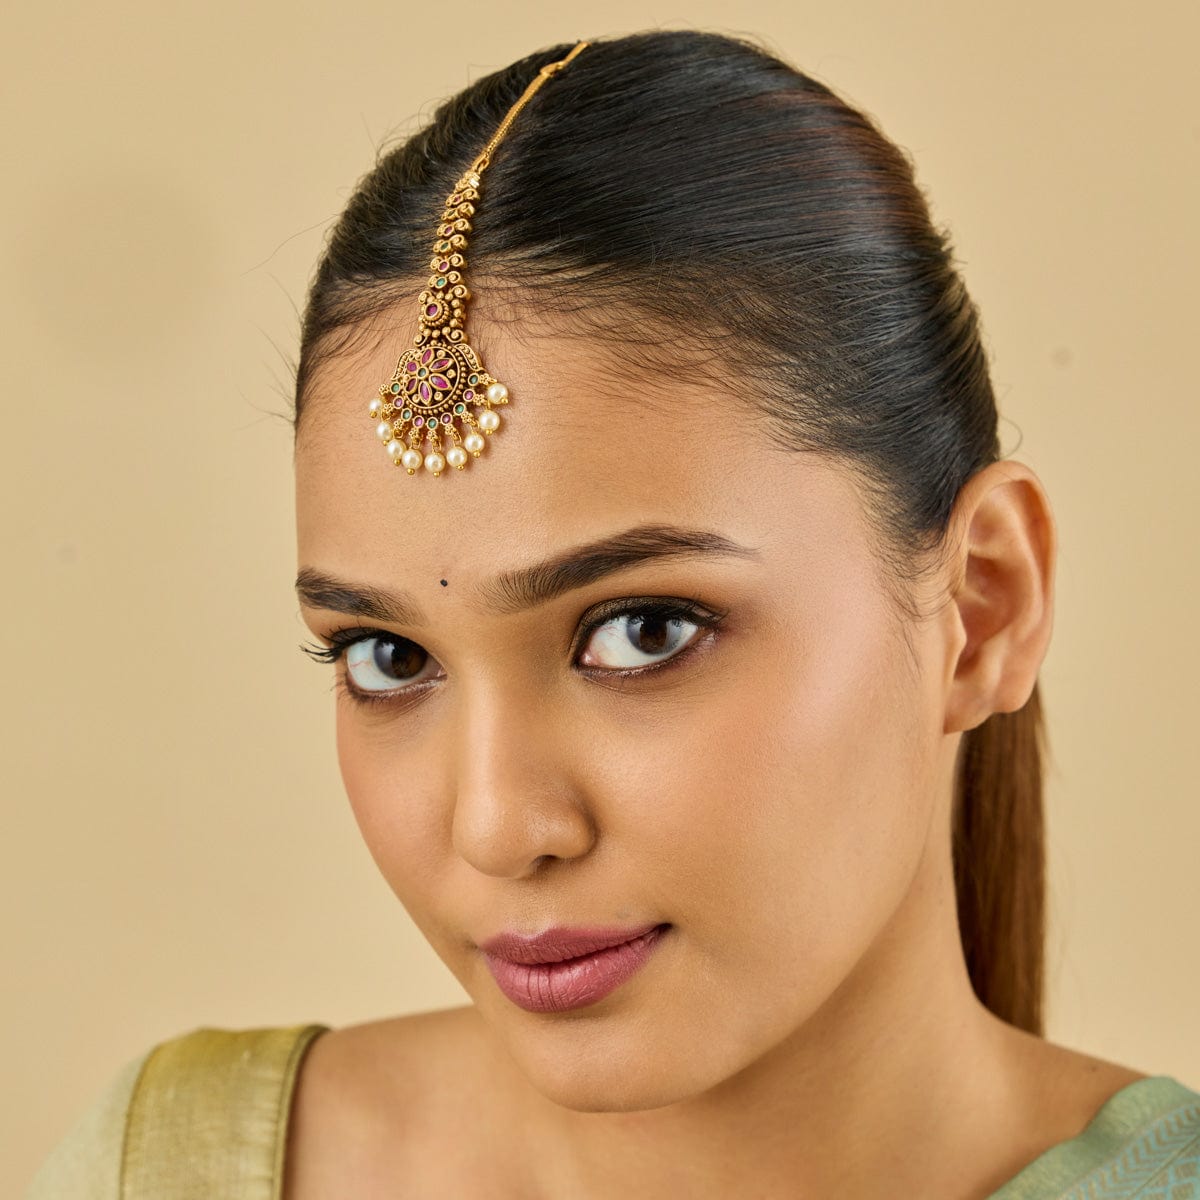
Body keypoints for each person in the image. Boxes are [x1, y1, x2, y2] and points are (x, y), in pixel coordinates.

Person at [27, 29, 1199, 1200]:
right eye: (388, 657)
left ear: (985, 606)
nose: (497, 827)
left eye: (643, 632)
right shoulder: (169, 1172)